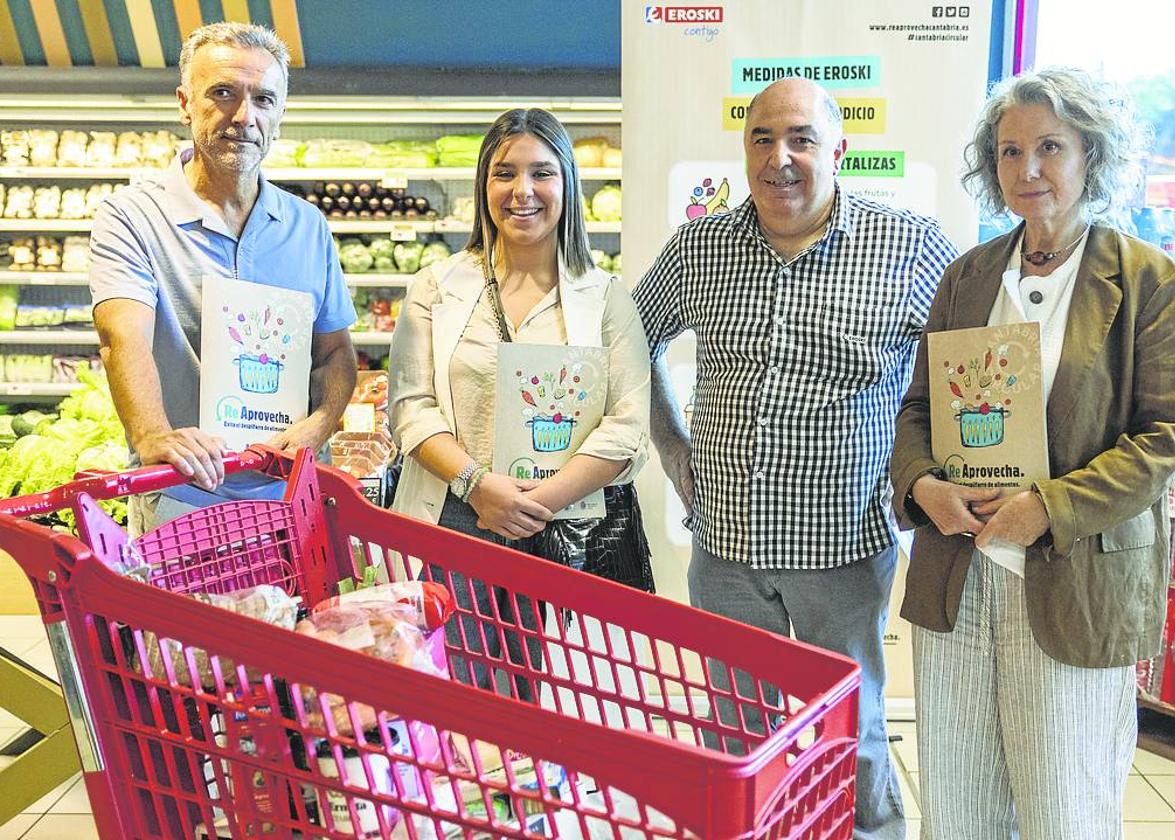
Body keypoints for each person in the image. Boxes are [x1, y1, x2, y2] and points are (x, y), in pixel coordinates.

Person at [633, 77, 957, 840]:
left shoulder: (909, 246)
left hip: (842, 549)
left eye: (802, 139)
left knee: (856, 734)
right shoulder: (700, 245)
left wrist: (925, 474)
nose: (781, 159)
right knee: (734, 737)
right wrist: (673, 448)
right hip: (725, 549)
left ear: (839, 150)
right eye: (762, 139)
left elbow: (965, 365)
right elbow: (630, 339)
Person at [891, 66, 1175, 839]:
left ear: (1091, 154)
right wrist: (923, 483)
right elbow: (919, 407)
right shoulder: (967, 276)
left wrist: (1047, 508)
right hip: (959, 574)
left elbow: (1166, 433)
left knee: (1066, 805)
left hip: (1074, 577)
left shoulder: (1147, 280)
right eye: (1008, 151)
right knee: (960, 803)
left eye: (1050, 147)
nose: (1026, 170)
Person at [389, 108, 653, 701]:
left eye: (542, 173)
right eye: (504, 173)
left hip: (557, 530)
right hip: (452, 522)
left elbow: (627, 427)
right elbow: (410, 406)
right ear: (485, 184)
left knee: (537, 699)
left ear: (567, 185)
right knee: (449, 696)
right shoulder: (436, 286)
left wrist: (536, 503)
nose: (522, 191)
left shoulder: (606, 297)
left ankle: (527, 793)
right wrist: (479, 485)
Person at [89, 22, 356, 533]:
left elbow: (335, 352)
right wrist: (152, 435)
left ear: (279, 113)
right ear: (185, 103)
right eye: (223, 93)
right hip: (179, 497)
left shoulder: (307, 226)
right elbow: (122, 337)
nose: (244, 116)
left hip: (287, 497)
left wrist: (319, 426)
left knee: (297, 617)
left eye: (263, 99)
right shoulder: (131, 216)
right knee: (183, 618)